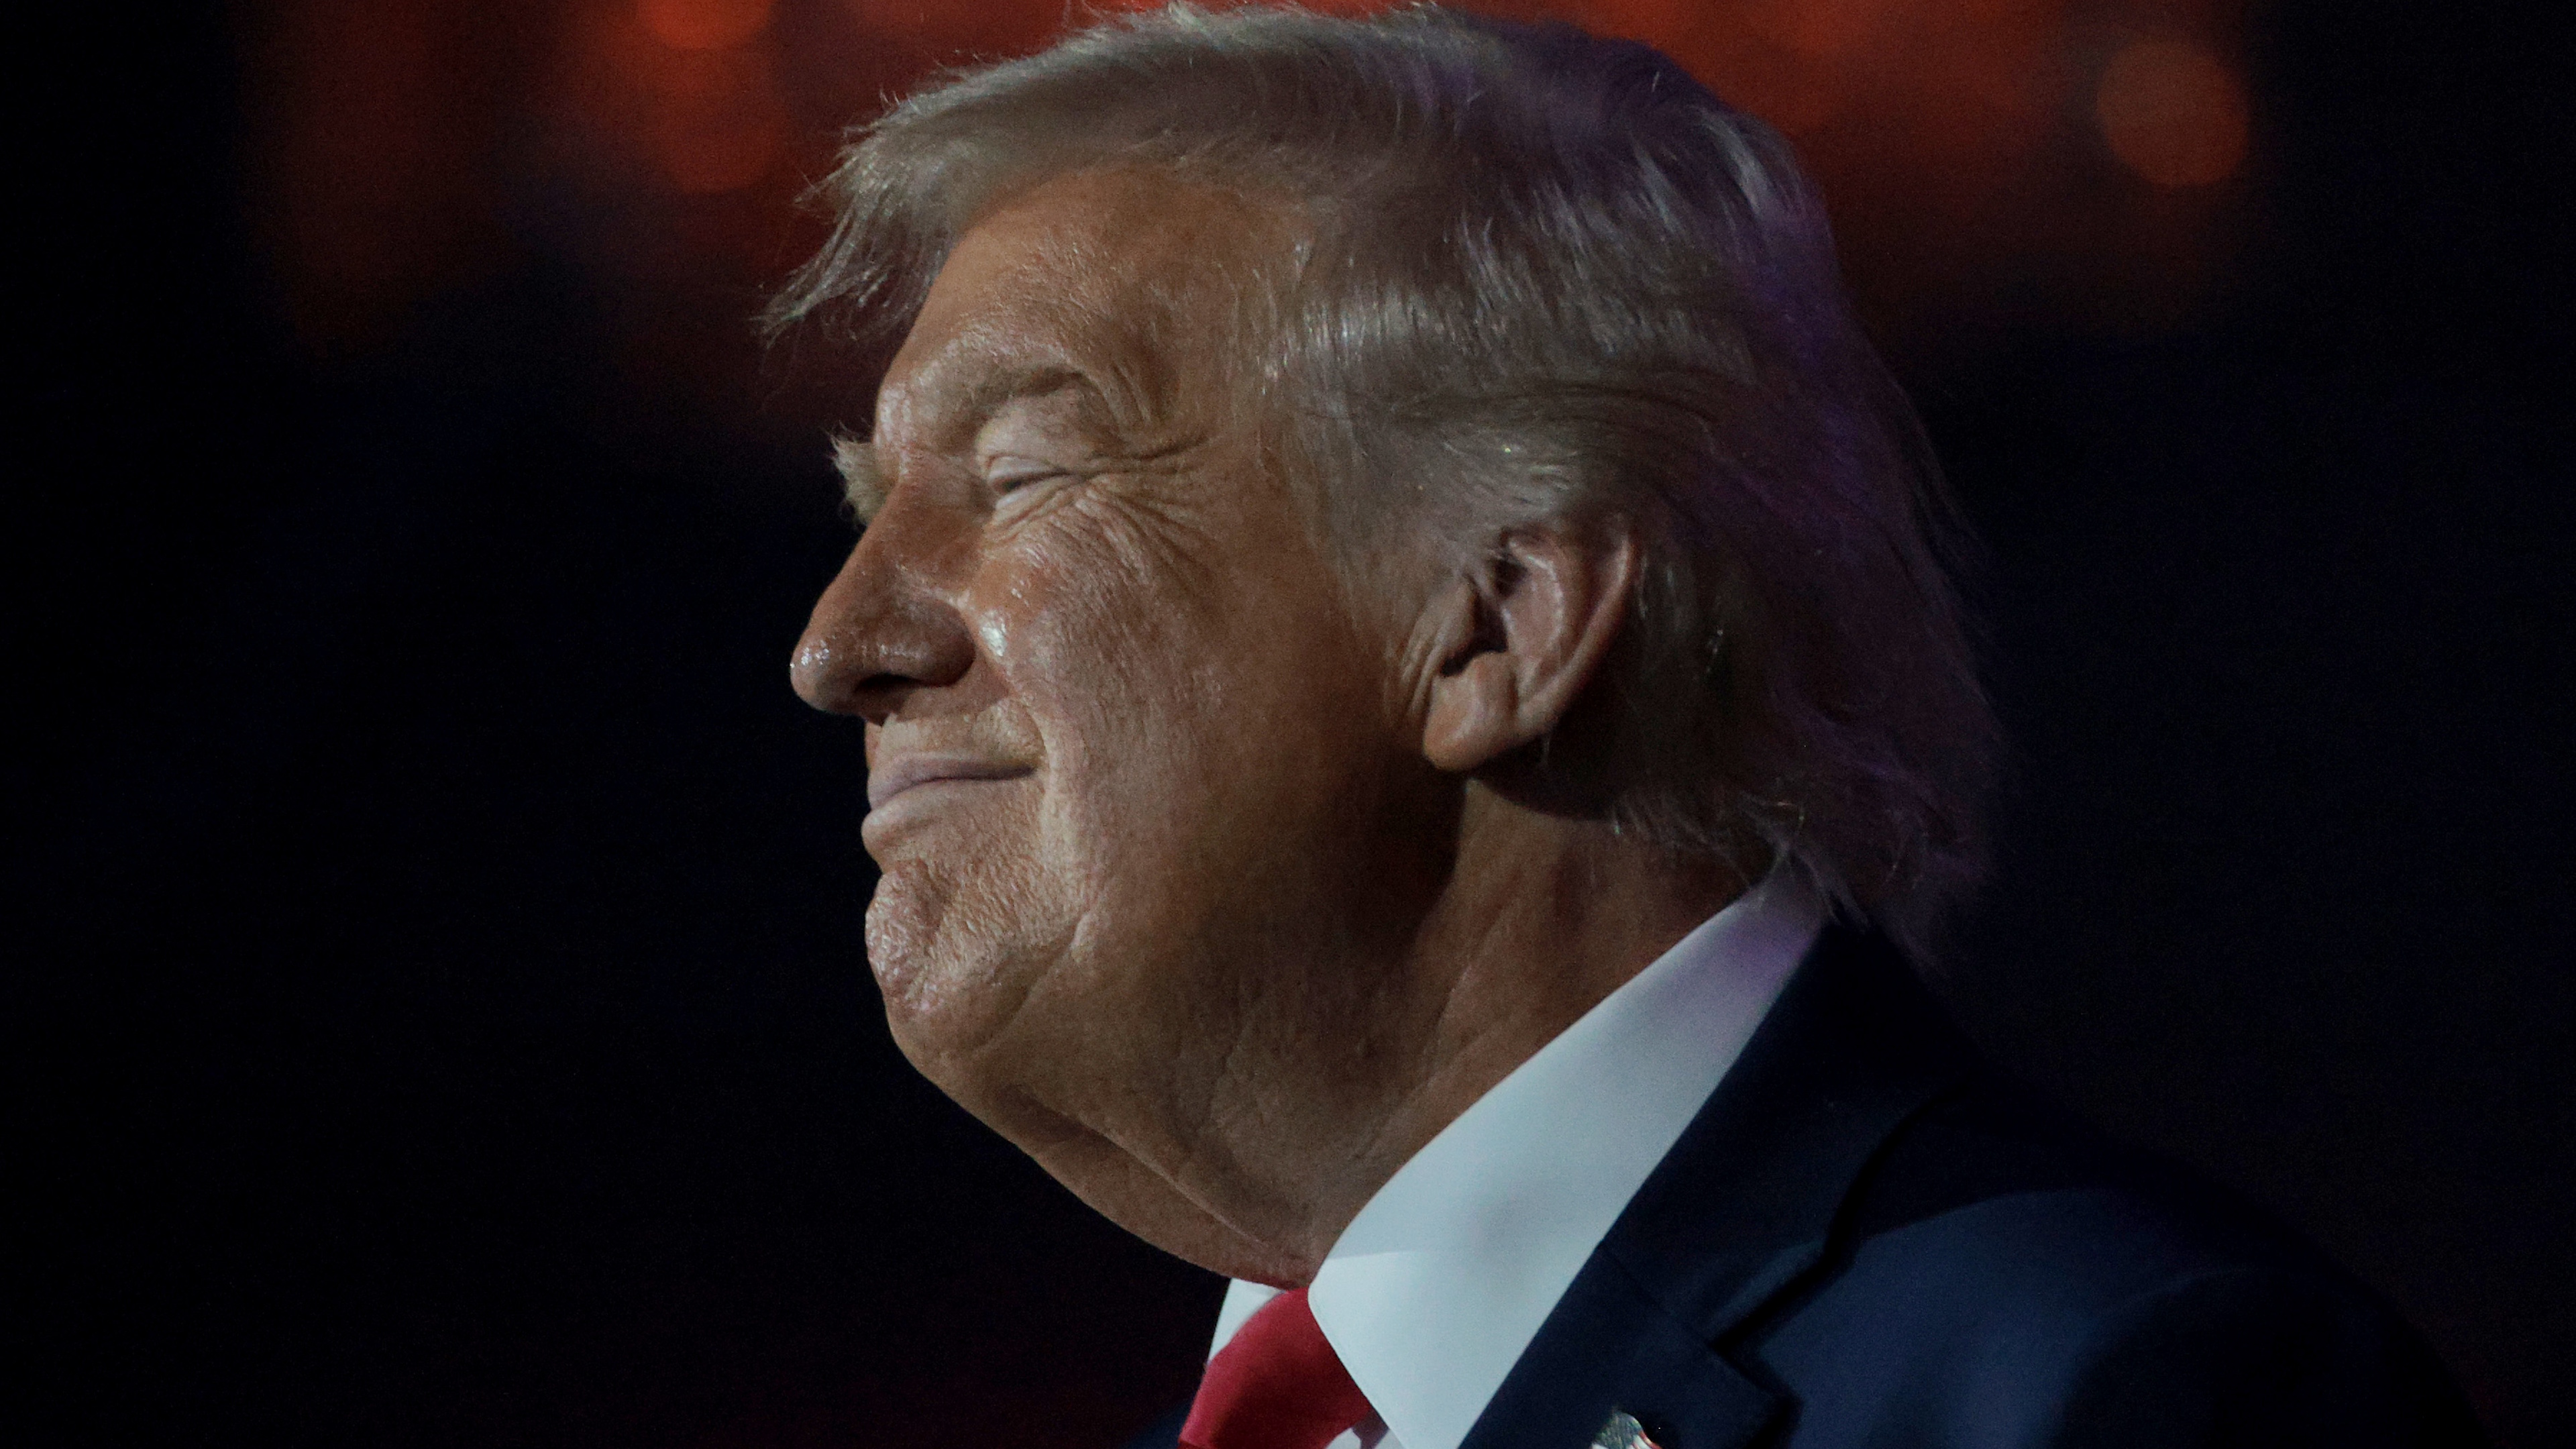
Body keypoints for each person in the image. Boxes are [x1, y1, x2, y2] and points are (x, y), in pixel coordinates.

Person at [769, 7, 2481, 1448]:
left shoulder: (2114, 1390)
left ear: (1500, 627)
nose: (840, 644)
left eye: (1023, 475)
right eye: (862, 504)